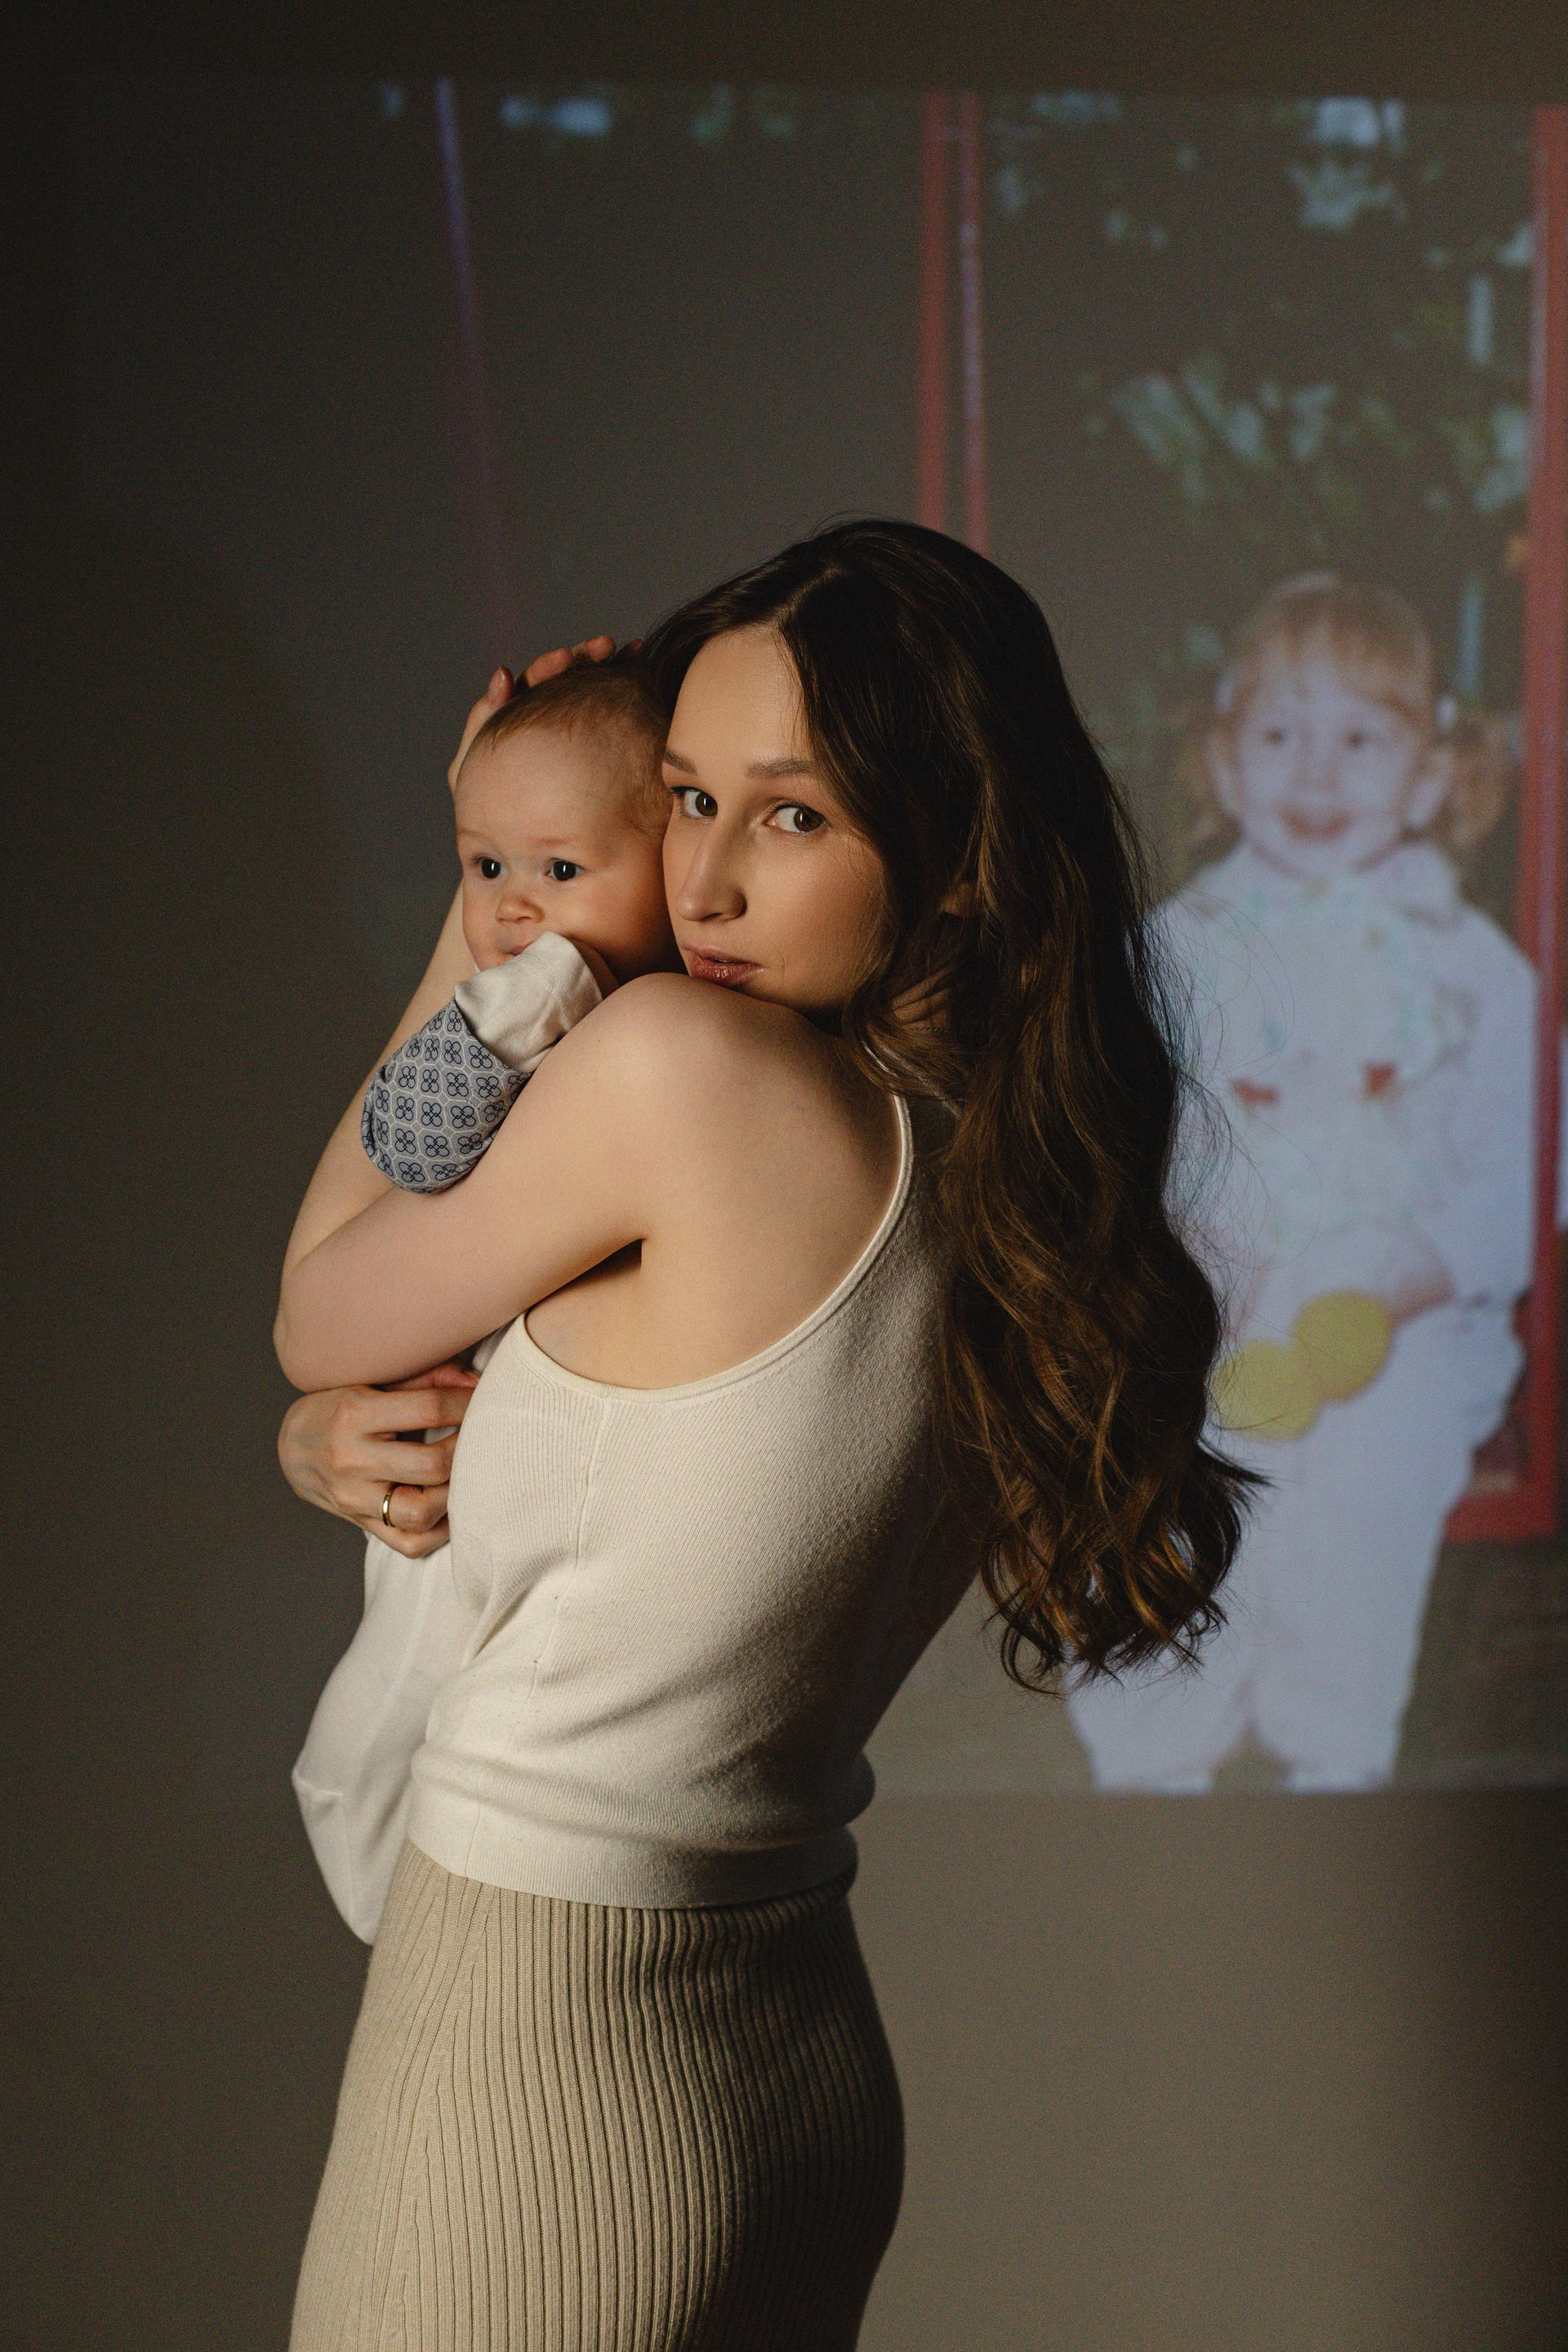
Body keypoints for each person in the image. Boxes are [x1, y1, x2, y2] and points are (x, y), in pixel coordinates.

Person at [275, 521, 1251, 2351]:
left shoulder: (680, 1069)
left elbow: (323, 1304)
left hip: (535, 2061)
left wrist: (498, 917)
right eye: (684, 801)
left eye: (791, 814)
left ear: (960, 853)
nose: (704, 881)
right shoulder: (1011, 1180)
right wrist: (348, 1446)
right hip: (787, 2054)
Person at [1070, 572, 1549, 1794]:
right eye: (1282, 736)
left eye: (1362, 740)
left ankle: (1334, 1744)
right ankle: (1157, 1748)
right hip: (1217, 1288)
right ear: (1226, 767)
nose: (1318, 775)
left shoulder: (1470, 967)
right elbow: (1122, 1139)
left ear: (1430, 777)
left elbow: (1532, 1157)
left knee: (1369, 1467)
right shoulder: (1174, 951)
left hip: (1399, 1306)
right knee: (1140, 1443)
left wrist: (1410, 1274)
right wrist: (1190, 1259)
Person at [294, 650, 681, 1942]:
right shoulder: (565, 991)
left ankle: (403, 1922)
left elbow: (400, 1149)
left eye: (560, 868)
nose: (515, 907)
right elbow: (321, 1321)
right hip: (448, 1443)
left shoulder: (588, 1013)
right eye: (482, 864)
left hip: (496, 1511)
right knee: (374, 1738)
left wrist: (507, 995)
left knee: (372, 1749)